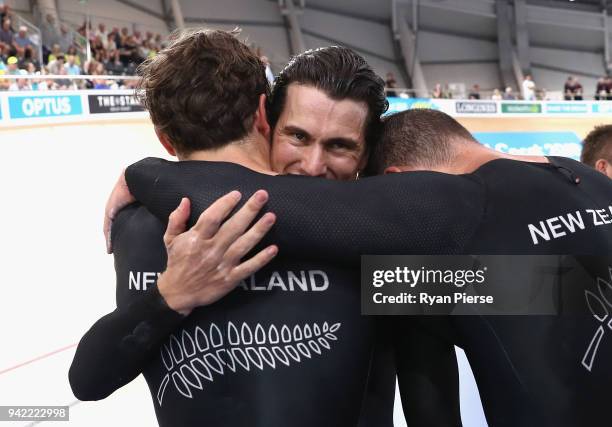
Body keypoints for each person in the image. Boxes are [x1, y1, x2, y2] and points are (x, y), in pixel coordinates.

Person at [124, 108, 612, 427]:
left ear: (401, 183)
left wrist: (144, 173)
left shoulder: (458, 202)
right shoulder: (588, 180)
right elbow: (538, 292)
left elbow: (274, 204)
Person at [70, 29, 455, 427]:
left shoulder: (379, 243)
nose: (311, 166)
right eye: (297, 136)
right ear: (265, 118)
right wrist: (169, 295)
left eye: (340, 146)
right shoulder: (369, 239)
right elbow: (86, 379)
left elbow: (508, 291)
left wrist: (146, 173)